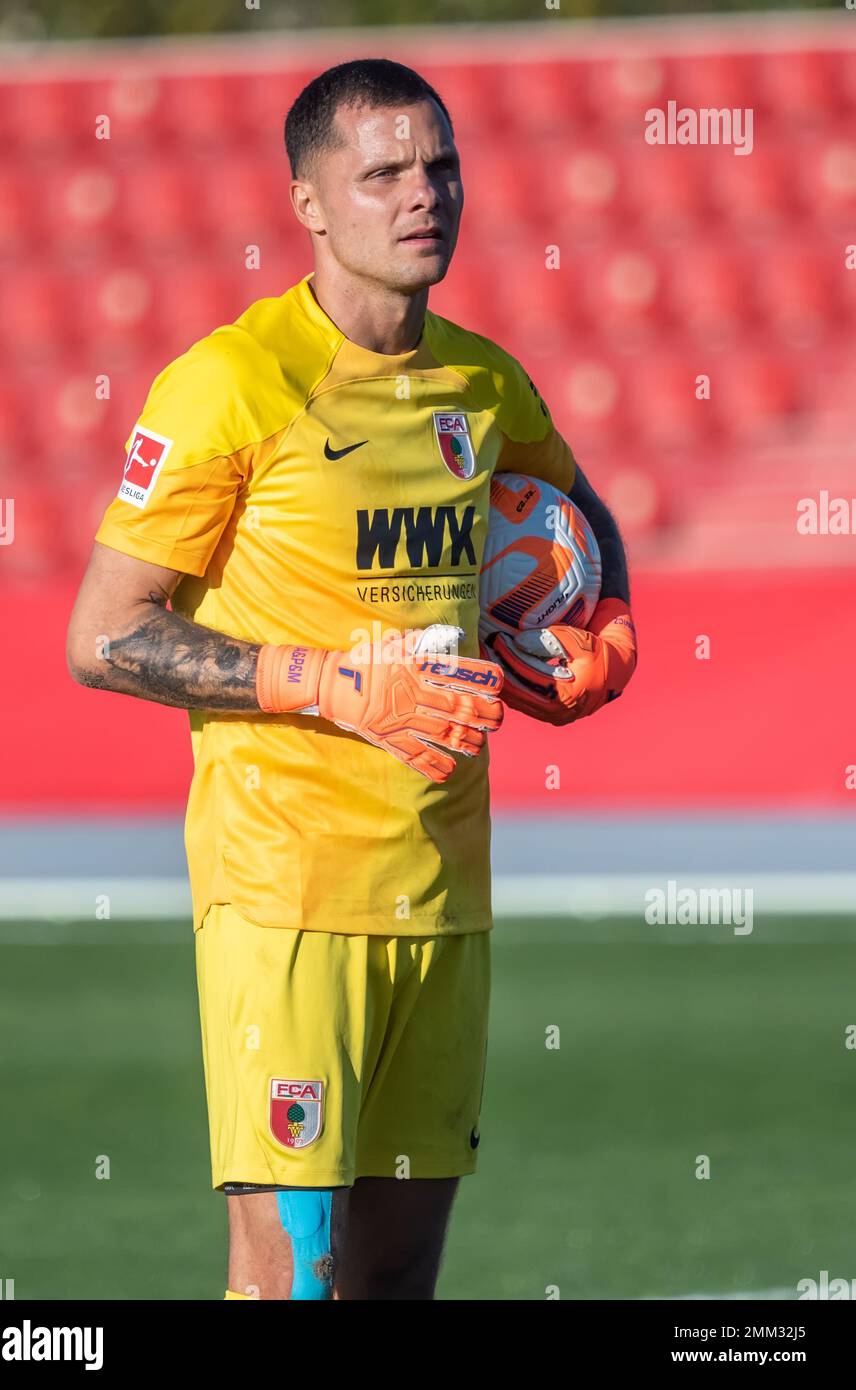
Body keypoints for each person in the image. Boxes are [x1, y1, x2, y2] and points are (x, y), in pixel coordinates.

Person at [66, 57, 636, 1301]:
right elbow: (104, 636)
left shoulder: (483, 383)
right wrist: (322, 683)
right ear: (310, 205)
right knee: (286, 1286)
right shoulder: (231, 384)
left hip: (442, 892)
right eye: (381, 172)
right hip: (286, 896)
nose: (422, 193)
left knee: (394, 1288)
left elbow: (580, 511)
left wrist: (609, 626)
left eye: (439, 164)